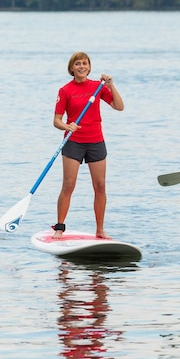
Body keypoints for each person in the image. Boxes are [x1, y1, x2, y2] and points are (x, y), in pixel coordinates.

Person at [52, 51, 124, 239]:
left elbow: (119, 106)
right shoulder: (65, 90)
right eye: (77, 64)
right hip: (73, 141)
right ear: (72, 68)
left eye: (85, 63)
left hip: (96, 141)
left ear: (89, 67)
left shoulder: (97, 87)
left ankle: (100, 230)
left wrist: (111, 85)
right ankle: (59, 228)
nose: (81, 66)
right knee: (68, 185)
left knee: (100, 186)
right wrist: (67, 126)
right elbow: (56, 121)